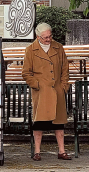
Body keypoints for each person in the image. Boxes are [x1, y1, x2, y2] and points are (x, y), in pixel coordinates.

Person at [22, 23, 72, 161]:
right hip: (41, 92)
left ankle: (62, 151)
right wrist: (36, 85)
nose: (48, 39)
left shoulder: (58, 47)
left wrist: (63, 86)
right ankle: (37, 152)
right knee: (39, 122)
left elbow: (65, 69)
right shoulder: (30, 50)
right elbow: (26, 73)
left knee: (59, 122)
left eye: (50, 36)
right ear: (38, 37)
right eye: (45, 38)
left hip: (57, 90)